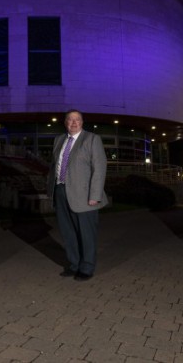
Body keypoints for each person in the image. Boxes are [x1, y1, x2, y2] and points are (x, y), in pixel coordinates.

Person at [47, 109, 108, 281]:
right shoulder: (58, 139)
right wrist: (51, 190)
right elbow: (54, 166)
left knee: (86, 234)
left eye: (77, 119)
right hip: (60, 191)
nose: (74, 123)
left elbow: (99, 168)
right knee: (68, 232)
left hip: (85, 195)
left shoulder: (92, 139)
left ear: (82, 122)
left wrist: (94, 195)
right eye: (70, 120)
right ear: (65, 122)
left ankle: (87, 267)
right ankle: (74, 265)